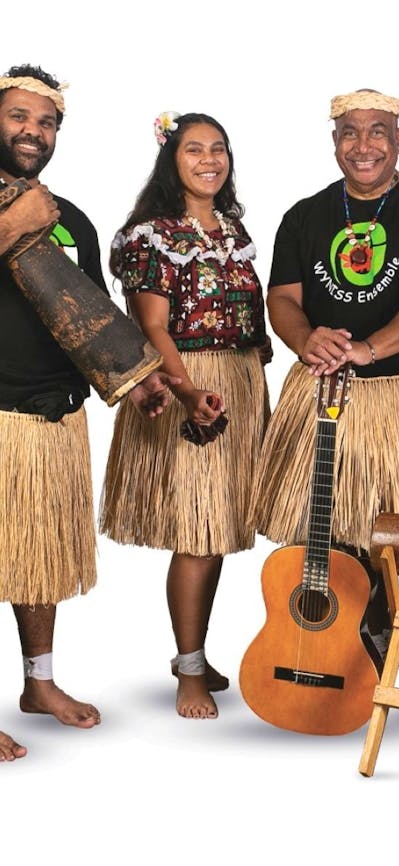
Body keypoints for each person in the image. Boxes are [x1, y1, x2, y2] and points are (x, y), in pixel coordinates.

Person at [0, 65, 176, 762]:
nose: (32, 132)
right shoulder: (31, 211)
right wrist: (14, 223)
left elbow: (90, 322)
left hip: (55, 420)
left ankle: (39, 684)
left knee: (36, 563)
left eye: (46, 123)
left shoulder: (67, 217)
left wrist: (135, 383)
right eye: (18, 116)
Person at [100, 111, 271, 719]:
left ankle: (197, 654)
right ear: (171, 160)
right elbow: (151, 327)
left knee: (219, 527)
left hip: (242, 381)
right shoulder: (152, 234)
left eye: (218, 148)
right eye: (194, 148)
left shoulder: (229, 228)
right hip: (191, 381)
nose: (209, 159)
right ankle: (189, 669)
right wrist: (188, 392)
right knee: (198, 532)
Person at [250, 88, 399, 660]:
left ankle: (384, 653)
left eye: (377, 131)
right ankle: (328, 655)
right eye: (350, 133)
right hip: (320, 394)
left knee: (389, 537)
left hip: (392, 397)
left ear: (397, 139)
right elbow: (283, 298)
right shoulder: (305, 214)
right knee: (321, 535)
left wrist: (369, 347)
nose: (363, 146)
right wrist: (304, 337)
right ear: (334, 143)